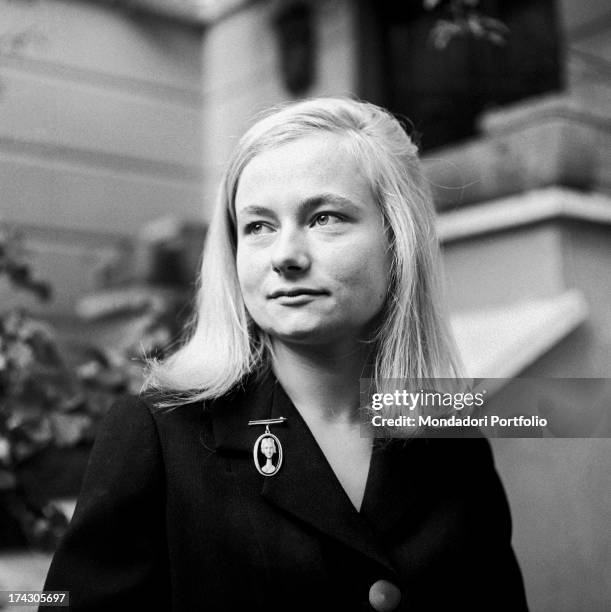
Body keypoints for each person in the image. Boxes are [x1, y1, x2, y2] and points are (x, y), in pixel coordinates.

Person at [41, 97, 528, 611]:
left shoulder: (452, 436)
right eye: (258, 226)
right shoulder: (157, 434)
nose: (285, 256)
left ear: (397, 241)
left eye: (324, 217)